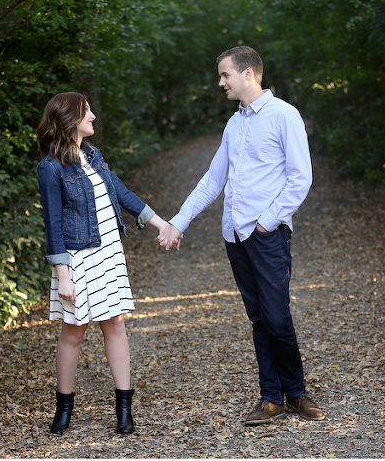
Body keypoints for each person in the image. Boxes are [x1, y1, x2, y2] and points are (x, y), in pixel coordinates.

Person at [159, 46, 324, 425]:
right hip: (234, 235)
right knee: (259, 319)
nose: (220, 82)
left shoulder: (284, 115)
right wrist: (177, 221)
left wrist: (268, 221)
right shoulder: (234, 124)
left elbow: (301, 177)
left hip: (266, 235)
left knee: (278, 317)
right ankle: (271, 398)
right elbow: (213, 180)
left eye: (225, 75)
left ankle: (296, 393)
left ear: (248, 74)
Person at [36, 92, 172, 435]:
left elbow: (123, 194)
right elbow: (52, 226)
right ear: (70, 119)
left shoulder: (93, 156)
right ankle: (63, 408)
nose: (93, 115)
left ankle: (124, 409)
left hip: (109, 254)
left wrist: (163, 224)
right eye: (87, 111)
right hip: (78, 260)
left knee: (116, 326)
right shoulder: (50, 168)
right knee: (73, 333)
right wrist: (62, 276)